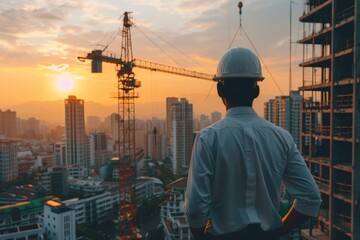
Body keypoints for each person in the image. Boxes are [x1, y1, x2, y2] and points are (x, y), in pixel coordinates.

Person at [184, 47, 321, 240]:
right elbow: (311, 199)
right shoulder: (282, 137)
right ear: (256, 91)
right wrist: (280, 229)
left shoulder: (208, 139)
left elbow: (196, 208)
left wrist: (201, 236)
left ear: (219, 90)